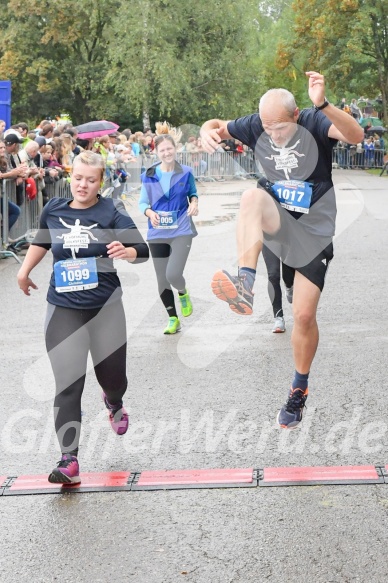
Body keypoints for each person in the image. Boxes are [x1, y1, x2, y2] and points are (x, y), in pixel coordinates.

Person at [200, 71, 363, 429]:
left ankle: (298, 389)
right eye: (266, 128)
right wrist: (205, 131)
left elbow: (356, 135)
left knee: (303, 316)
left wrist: (323, 103)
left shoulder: (315, 119)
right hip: (277, 219)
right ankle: (244, 284)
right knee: (251, 197)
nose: (272, 134)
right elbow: (217, 124)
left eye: (280, 128)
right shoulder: (258, 123)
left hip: (314, 230)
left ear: (295, 116)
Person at [17, 150, 149, 484]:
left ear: (100, 181)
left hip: (105, 308)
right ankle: (68, 461)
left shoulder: (111, 209)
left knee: (114, 378)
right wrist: (24, 269)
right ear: (70, 177)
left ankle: (114, 401)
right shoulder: (54, 209)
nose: (82, 185)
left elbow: (141, 250)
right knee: (68, 383)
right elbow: (42, 241)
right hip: (62, 308)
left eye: (90, 180)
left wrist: (127, 250)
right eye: (77, 178)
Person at [139, 122, 199, 334]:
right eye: (162, 150)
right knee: (162, 279)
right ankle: (173, 318)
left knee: (173, 274)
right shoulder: (149, 174)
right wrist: (149, 213)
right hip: (157, 232)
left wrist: (194, 203)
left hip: (181, 229)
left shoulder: (186, 172)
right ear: (156, 152)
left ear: (176, 149)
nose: (167, 153)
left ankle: (182, 291)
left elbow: (193, 193)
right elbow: (142, 203)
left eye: (169, 149)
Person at [262, 242, 294, 333]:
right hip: (269, 235)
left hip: (289, 234)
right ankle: (278, 318)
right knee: (273, 275)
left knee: (289, 274)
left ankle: (289, 286)